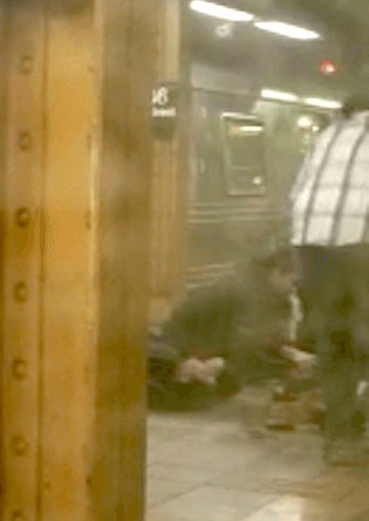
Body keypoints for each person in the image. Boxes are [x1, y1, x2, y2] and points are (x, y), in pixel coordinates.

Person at [290, 93, 369, 464]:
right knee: (360, 340)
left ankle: (339, 438)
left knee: (336, 344)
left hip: (313, 248)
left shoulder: (326, 135)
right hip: (361, 246)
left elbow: (295, 196)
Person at [150, 250, 315, 410]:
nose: (295, 289)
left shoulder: (279, 302)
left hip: (218, 362)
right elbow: (247, 344)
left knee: (227, 387)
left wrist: (289, 352)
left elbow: (263, 338)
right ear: (277, 273)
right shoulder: (240, 290)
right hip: (190, 354)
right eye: (293, 282)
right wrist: (184, 359)